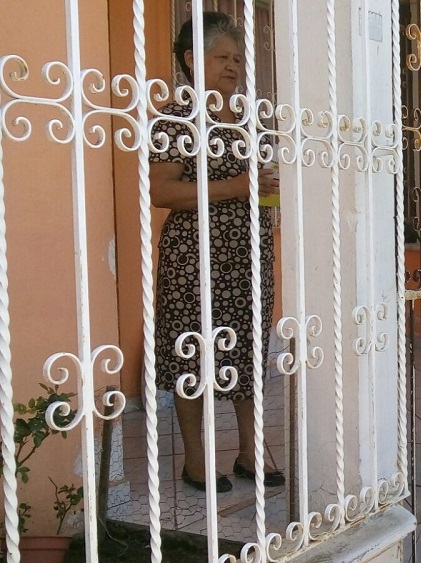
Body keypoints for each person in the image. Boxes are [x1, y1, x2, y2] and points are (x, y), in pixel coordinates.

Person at [150, 12, 284, 492]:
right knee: (196, 357)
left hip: (249, 256)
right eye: (221, 57)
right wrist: (238, 185)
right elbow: (161, 191)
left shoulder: (246, 117)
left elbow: (258, 183)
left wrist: (265, 190)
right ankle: (196, 459)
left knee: (248, 354)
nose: (233, 67)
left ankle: (251, 452)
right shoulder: (177, 116)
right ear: (192, 60)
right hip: (196, 258)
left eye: (237, 58)